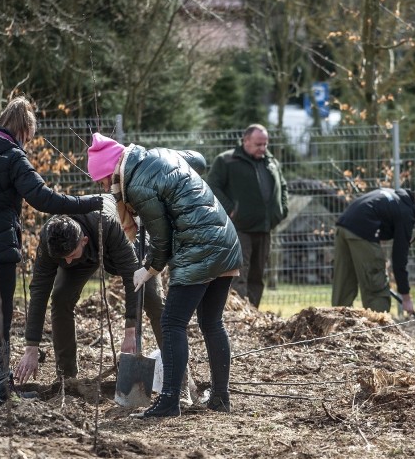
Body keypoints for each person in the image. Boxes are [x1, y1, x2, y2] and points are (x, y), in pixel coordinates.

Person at [0, 97, 103, 410]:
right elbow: (43, 199)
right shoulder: (12, 156)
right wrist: (89, 202)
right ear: (24, 129)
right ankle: (0, 392)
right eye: (29, 134)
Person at [86, 133, 242, 418]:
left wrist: (148, 269)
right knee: (211, 322)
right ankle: (220, 397)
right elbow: (200, 160)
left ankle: (169, 400)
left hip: (198, 247)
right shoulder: (160, 155)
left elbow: (162, 237)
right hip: (225, 239)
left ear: (112, 171)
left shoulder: (136, 185)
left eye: (102, 180)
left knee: (171, 323)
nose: (104, 187)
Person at [12, 196, 179, 395]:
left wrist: (130, 329)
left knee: (150, 297)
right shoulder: (51, 239)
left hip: (125, 239)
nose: (66, 260)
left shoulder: (106, 223)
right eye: (62, 258)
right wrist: (31, 346)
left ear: (83, 240)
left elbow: (131, 276)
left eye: (71, 255)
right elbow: (39, 290)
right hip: (86, 255)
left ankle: (178, 377)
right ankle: (67, 378)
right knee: (60, 298)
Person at [204, 124, 287, 308]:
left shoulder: (271, 162)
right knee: (239, 275)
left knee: (258, 276)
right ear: (245, 141)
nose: (263, 148)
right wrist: (230, 210)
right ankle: (238, 314)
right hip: (239, 229)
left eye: (265, 144)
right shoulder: (227, 160)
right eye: (258, 144)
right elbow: (212, 187)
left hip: (265, 228)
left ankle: (253, 313)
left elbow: (283, 186)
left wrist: (281, 210)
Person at [331, 187, 415, 315]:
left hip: (343, 225)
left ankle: (337, 326)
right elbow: (399, 259)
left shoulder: (393, 195)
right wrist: (406, 297)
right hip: (363, 230)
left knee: (344, 281)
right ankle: (379, 328)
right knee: (376, 284)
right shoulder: (406, 212)